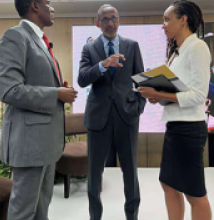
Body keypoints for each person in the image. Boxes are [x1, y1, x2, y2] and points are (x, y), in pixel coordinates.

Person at [0, 0, 77, 219]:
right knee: (23, 211)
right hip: (29, 144)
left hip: (47, 143)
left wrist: (60, 89)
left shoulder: (40, 40)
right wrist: (56, 94)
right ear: (34, 5)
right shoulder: (15, 36)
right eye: (48, 2)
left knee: (42, 207)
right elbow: (9, 91)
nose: (52, 8)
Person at [138, 1, 212, 220]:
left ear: (183, 20)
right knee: (169, 183)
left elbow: (199, 96)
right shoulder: (176, 53)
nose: (163, 25)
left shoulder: (198, 47)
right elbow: (177, 92)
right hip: (175, 127)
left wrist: (160, 94)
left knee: (194, 192)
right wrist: (157, 96)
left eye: (167, 19)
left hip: (190, 129)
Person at [78, 4, 146, 220]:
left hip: (127, 116)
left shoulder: (132, 46)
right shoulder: (89, 49)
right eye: (105, 19)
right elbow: (82, 79)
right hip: (99, 119)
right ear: (97, 23)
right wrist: (103, 65)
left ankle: (132, 216)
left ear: (119, 20)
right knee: (94, 175)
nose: (109, 23)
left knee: (130, 173)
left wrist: (138, 107)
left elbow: (141, 81)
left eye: (113, 18)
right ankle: (95, 217)